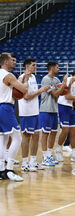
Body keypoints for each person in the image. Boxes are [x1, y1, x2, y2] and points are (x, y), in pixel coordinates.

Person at [0, 53, 29, 181]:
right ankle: (10, 169)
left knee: (2, 139)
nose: (14, 62)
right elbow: (23, 90)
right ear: (5, 62)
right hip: (6, 107)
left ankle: (1, 170)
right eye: (12, 60)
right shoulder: (9, 75)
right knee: (17, 137)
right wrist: (26, 82)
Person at [19, 58, 50, 171]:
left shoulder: (33, 77)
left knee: (36, 136)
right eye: (33, 65)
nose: (35, 67)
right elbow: (26, 96)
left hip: (35, 111)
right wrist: (40, 91)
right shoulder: (21, 78)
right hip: (26, 112)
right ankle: (24, 163)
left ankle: (33, 161)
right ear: (27, 66)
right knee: (26, 136)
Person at [39, 62, 68, 166]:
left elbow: (60, 92)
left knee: (54, 132)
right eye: (57, 67)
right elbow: (56, 94)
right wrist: (63, 84)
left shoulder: (56, 80)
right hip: (46, 109)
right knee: (45, 133)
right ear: (51, 68)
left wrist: (63, 86)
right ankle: (44, 156)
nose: (58, 69)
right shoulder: (46, 79)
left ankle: (50, 154)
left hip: (54, 110)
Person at [56, 69, 75, 162]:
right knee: (65, 130)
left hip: (72, 107)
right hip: (63, 106)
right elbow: (67, 97)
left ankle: (74, 154)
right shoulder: (69, 80)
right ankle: (58, 150)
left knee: (74, 131)